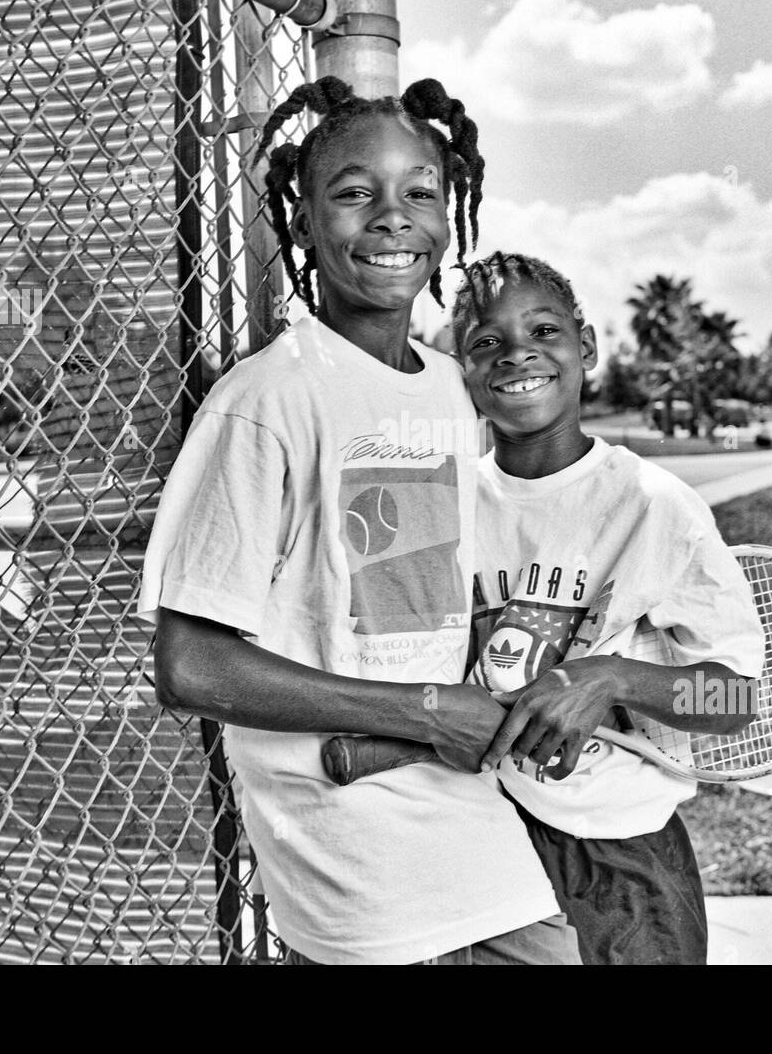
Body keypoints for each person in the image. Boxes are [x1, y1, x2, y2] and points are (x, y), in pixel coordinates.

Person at [137, 79, 578, 965]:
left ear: (449, 216)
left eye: (420, 192)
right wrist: (423, 711)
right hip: (362, 878)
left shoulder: (460, 392)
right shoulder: (268, 402)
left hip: (477, 828)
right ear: (301, 222)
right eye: (352, 193)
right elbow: (191, 665)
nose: (391, 217)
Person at [451, 252, 765, 964]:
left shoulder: (655, 506)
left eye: (543, 330)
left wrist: (611, 678)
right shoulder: (447, 504)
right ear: (460, 370)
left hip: (623, 853)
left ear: (585, 347)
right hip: (480, 838)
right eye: (486, 342)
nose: (517, 353)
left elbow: (736, 697)